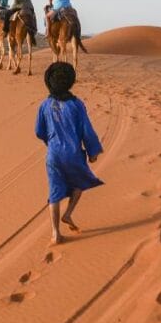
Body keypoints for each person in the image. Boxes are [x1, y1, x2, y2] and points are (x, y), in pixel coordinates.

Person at [35, 62, 104, 245]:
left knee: (54, 192)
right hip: (73, 154)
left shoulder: (45, 105)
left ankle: (55, 233)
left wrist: (50, 143)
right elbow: (86, 130)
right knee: (81, 181)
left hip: (53, 156)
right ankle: (68, 213)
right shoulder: (76, 104)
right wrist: (93, 152)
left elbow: (39, 131)